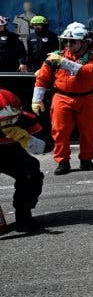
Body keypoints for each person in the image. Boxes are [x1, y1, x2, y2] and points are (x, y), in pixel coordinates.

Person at [32, 22, 93, 174]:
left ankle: (86, 160)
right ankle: (63, 162)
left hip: (86, 99)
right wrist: (36, 99)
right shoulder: (55, 57)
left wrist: (64, 63)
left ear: (83, 42)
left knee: (87, 131)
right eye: (66, 41)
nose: (68, 44)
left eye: (72, 41)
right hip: (62, 98)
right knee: (60, 131)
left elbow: (89, 72)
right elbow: (42, 79)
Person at [0, 88, 46, 233]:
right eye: (3, 121)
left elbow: (46, 146)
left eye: (11, 119)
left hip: (10, 152)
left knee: (31, 172)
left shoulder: (26, 119)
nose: (8, 124)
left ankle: (23, 215)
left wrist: (27, 139)